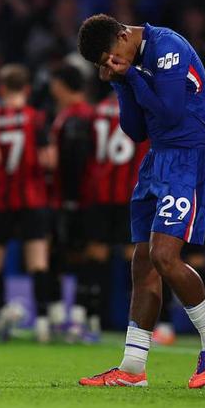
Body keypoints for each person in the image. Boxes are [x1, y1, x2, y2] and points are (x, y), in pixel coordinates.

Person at [76, 14, 205, 388]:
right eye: (105, 65)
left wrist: (130, 76)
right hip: (157, 160)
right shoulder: (129, 64)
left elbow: (170, 113)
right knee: (143, 262)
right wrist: (120, 83)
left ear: (122, 35)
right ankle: (133, 367)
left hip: (189, 158)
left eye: (111, 57)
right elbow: (135, 130)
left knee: (165, 256)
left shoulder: (168, 47)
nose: (113, 63)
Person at [67, 91, 149, 343]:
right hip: (132, 194)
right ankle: (146, 325)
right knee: (136, 259)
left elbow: (83, 152)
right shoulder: (143, 107)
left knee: (95, 257)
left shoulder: (96, 111)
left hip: (98, 193)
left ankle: (85, 319)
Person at [0, 64, 54, 342]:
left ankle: (0, 316)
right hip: (32, 198)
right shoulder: (35, 118)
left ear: (1, 89)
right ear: (27, 89)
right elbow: (48, 160)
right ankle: (43, 323)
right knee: (38, 261)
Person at [47, 64, 96, 338]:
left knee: (75, 256)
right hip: (76, 198)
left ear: (61, 85)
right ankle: (75, 317)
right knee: (69, 256)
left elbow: (75, 161)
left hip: (74, 199)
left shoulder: (77, 116)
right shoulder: (75, 114)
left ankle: (75, 317)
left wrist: (71, 198)